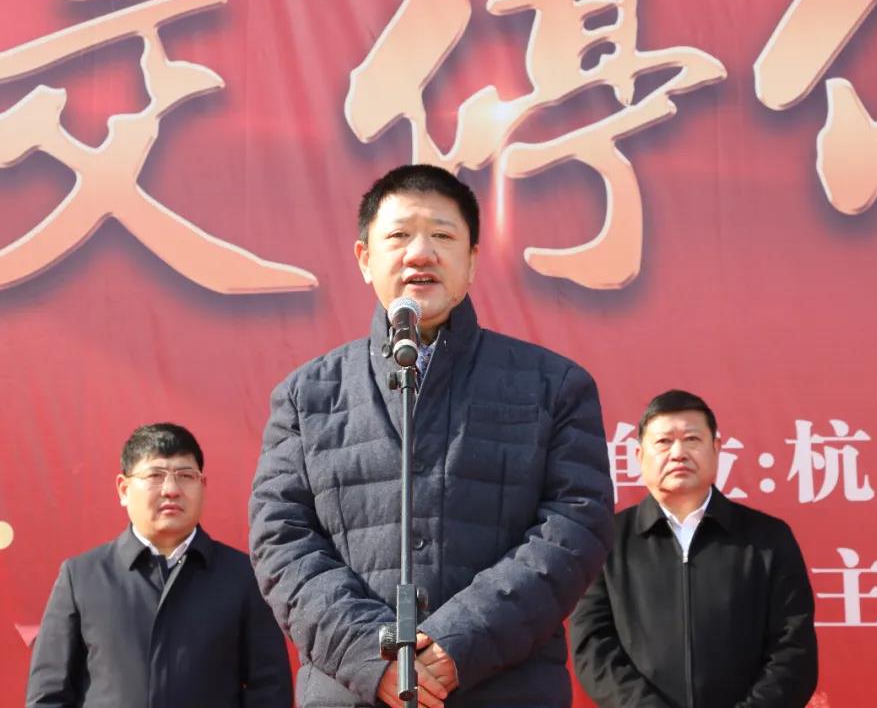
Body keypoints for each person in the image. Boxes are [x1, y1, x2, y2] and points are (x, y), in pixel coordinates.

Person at [248, 164, 614, 708]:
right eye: (398, 236)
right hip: (353, 693)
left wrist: (457, 645)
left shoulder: (553, 385)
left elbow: (575, 525)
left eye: (442, 235)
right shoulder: (307, 395)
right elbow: (281, 539)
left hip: (502, 689)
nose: (420, 253)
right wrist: (373, 656)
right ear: (364, 259)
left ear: (472, 261)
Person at [570, 390, 818, 708]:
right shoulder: (606, 540)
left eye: (692, 439)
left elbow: (793, 648)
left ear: (716, 448)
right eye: (663, 442)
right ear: (639, 456)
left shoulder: (768, 538)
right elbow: (593, 649)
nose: (678, 453)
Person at [26, 423, 293, 708]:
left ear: (202, 486)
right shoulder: (82, 577)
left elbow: (270, 690)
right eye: (155, 475)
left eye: (185, 476)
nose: (171, 490)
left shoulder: (242, 576)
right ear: (124, 489)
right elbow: (48, 696)